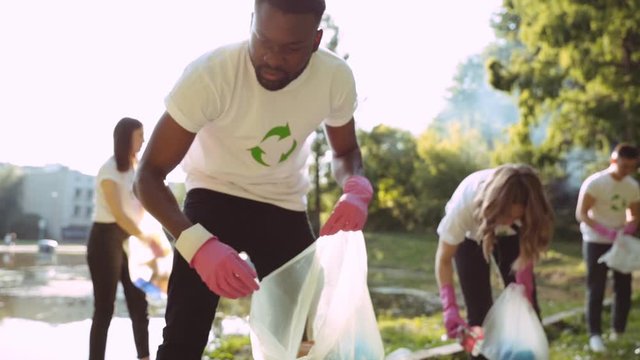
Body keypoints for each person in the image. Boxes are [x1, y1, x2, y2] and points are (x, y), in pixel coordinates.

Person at [133, 0, 373, 358]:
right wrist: (196, 245)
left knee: (306, 338)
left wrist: (356, 186)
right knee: (183, 339)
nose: (274, 59)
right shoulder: (211, 74)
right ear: (251, 24)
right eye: (263, 42)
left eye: (291, 48)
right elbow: (148, 177)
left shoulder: (334, 78)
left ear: (316, 40)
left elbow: (344, 153)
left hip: (283, 204)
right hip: (212, 196)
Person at [434, 163, 554, 359]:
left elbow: (528, 247)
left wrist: (525, 288)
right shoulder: (465, 204)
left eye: (517, 216)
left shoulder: (531, 205)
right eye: (506, 215)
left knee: (529, 311)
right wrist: (450, 308)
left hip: (512, 239)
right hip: (471, 236)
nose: (508, 221)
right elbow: (444, 258)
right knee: (479, 314)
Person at [87, 117, 164, 360]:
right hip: (105, 240)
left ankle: (144, 357)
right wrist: (146, 238)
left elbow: (144, 208)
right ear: (126, 138)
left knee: (139, 306)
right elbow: (119, 213)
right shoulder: (109, 170)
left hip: (132, 240)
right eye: (139, 135)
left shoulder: (138, 169)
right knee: (104, 309)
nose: (143, 140)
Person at [575, 143, 640, 353]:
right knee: (597, 288)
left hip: (619, 242)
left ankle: (617, 331)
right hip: (595, 241)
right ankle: (595, 334)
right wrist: (604, 231)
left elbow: (635, 213)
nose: (627, 171)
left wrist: (631, 226)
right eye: (624, 166)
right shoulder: (596, 183)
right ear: (614, 161)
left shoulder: (632, 186)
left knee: (623, 287)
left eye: (632, 167)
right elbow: (582, 214)